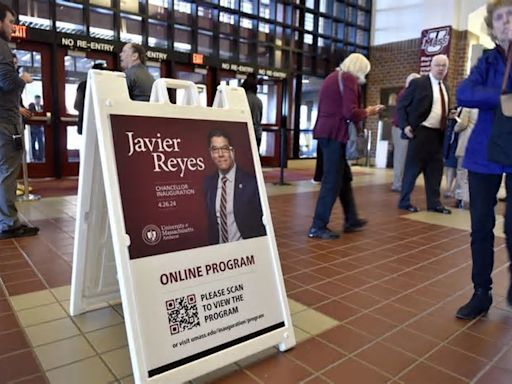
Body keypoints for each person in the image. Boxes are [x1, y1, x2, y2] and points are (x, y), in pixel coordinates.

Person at [455, 0, 512, 320]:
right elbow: (464, 92)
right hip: (484, 154)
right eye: (500, 18)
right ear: (492, 27)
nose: (506, 22)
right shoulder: (487, 61)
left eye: (511, 16)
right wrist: (503, 98)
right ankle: (481, 291)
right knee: (481, 225)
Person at [307, 53, 383, 240]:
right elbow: (350, 112)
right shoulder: (348, 78)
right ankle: (317, 226)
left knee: (343, 177)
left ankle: (351, 218)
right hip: (336, 134)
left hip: (325, 132)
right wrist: (369, 111)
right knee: (332, 181)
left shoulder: (332, 77)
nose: (362, 77)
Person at [0, 3, 38, 239]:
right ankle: (9, 223)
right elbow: (6, 81)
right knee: (7, 172)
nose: (13, 27)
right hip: (5, 121)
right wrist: (22, 78)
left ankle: (6, 219)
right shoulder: (2, 47)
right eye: (10, 22)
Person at [396, 54, 453, 214]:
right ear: (431, 66)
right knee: (412, 169)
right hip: (420, 132)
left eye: (444, 66)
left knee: (435, 170)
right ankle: (404, 201)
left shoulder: (445, 87)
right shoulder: (419, 83)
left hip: (438, 134)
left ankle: (434, 203)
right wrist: (405, 125)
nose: (441, 68)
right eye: (438, 65)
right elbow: (401, 105)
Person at [203, 129, 266, 245]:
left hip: (247, 249)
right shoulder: (208, 183)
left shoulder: (252, 183)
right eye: (215, 149)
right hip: (221, 251)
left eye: (225, 148)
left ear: (233, 151)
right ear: (211, 153)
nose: (220, 154)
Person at [391, 73, 420, 192]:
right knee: (400, 157)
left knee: (403, 157)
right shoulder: (406, 94)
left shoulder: (407, 94)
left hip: (402, 128)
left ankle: (401, 183)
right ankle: (397, 184)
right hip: (400, 128)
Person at [453, 107, 478, 209]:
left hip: (466, 143)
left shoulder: (468, 106)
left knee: (462, 173)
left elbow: (462, 124)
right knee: (472, 174)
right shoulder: (483, 106)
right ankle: (472, 198)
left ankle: (462, 199)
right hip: (477, 144)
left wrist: (455, 127)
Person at [74, 62, 107, 135]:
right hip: (102, 125)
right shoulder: (106, 86)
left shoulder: (83, 85)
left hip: (84, 123)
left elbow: (76, 105)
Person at [241, 74, 263, 149]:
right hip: (257, 134)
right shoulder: (259, 101)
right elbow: (259, 119)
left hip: (245, 134)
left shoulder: (242, 99)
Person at [442, 107, 460, 198]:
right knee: (449, 166)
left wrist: (457, 118)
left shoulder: (468, 109)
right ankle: (448, 188)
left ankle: (454, 189)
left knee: (458, 168)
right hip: (450, 142)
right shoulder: (455, 108)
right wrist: (450, 117)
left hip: (458, 141)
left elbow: (462, 124)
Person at [28, 95, 44, 161]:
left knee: (41, 143)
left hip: (40, 128)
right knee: (33, 143)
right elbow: (30, 114)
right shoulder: (31, 106)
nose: (38, 101)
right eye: (37, 99)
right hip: (33, 128)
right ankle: (34, 158)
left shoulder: (43, 107)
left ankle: (40, 158)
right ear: (35, 100)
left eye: (39, 99)